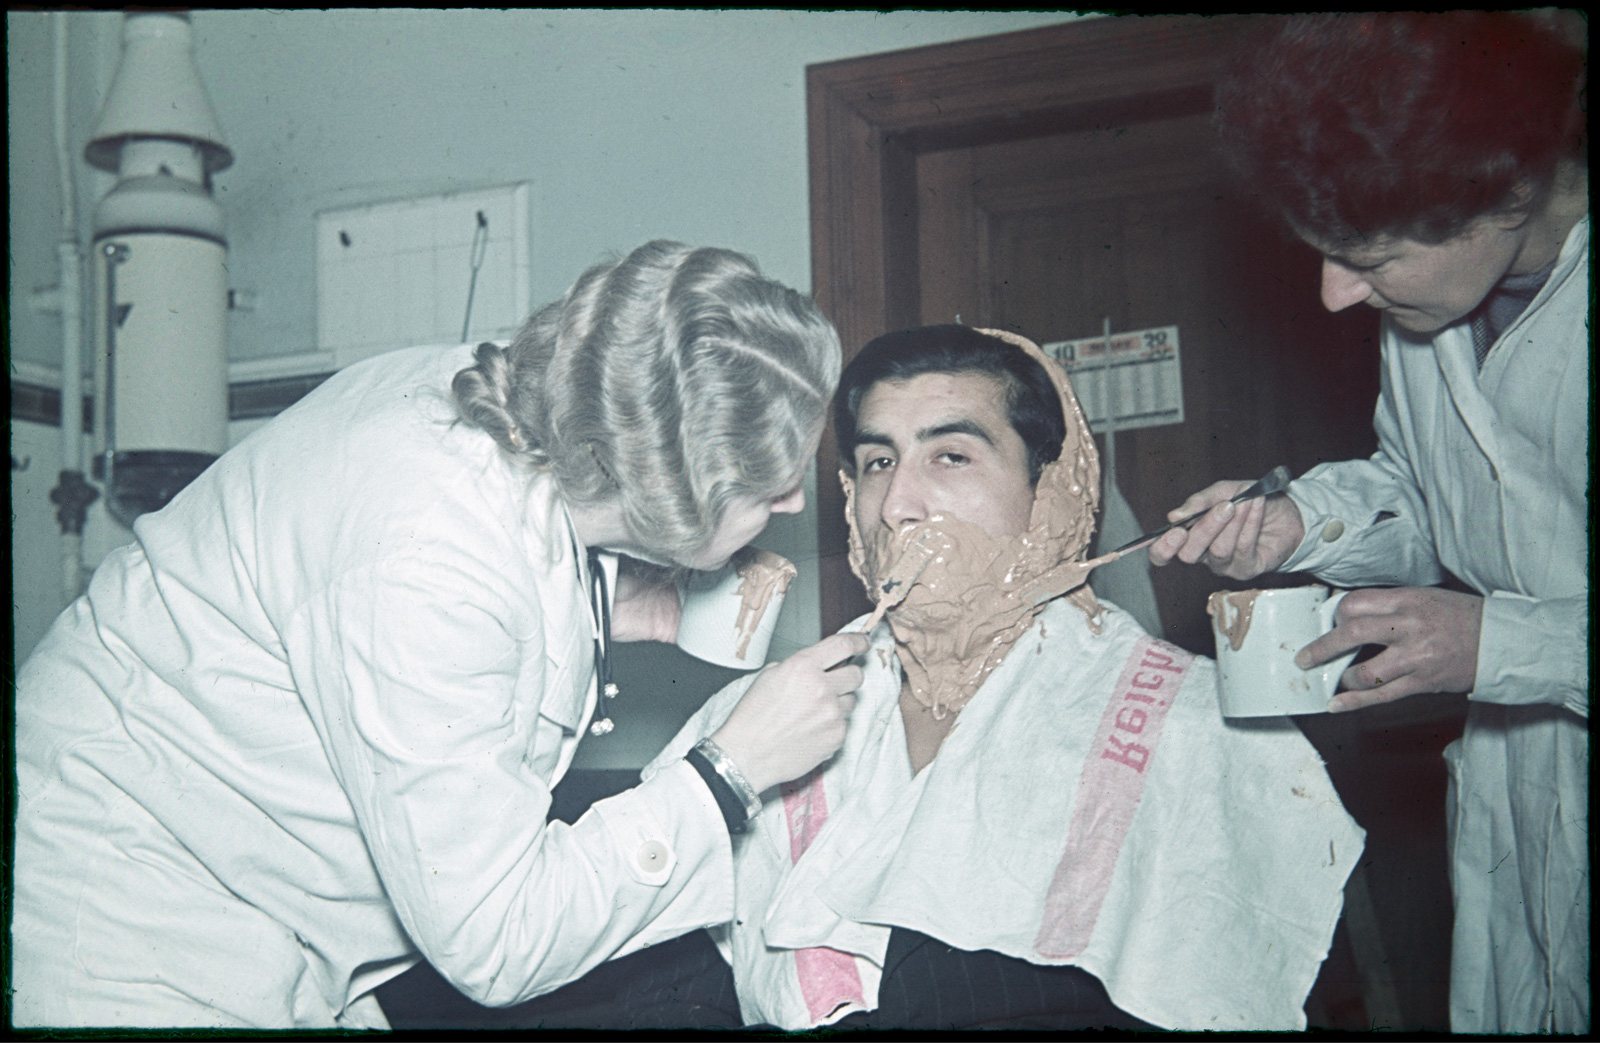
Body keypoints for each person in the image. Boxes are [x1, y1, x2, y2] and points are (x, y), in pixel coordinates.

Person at [10, 240, 868, 1028]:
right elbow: (497, 940)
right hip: (131, 907)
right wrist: (730, 771)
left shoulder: (511, 400)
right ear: (673, 497)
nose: (793, 505)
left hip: (252, 887)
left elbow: (473, 582)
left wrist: (613, 601)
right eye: (768, 489)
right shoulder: (427, 551)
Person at [643, 325, 1365, 1031]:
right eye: (877, 463)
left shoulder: (1181, 721)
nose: (899, 506)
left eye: (950, 456)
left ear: (1049, 493)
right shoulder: (762, 717)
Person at [1147, 13, 1588, 1034]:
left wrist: (1498, 641)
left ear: (1510, 191)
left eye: (1368, 258)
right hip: (1517, 808)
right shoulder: (1431, 307)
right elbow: (1427, 497)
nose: (1334, 294)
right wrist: (1302, 522)